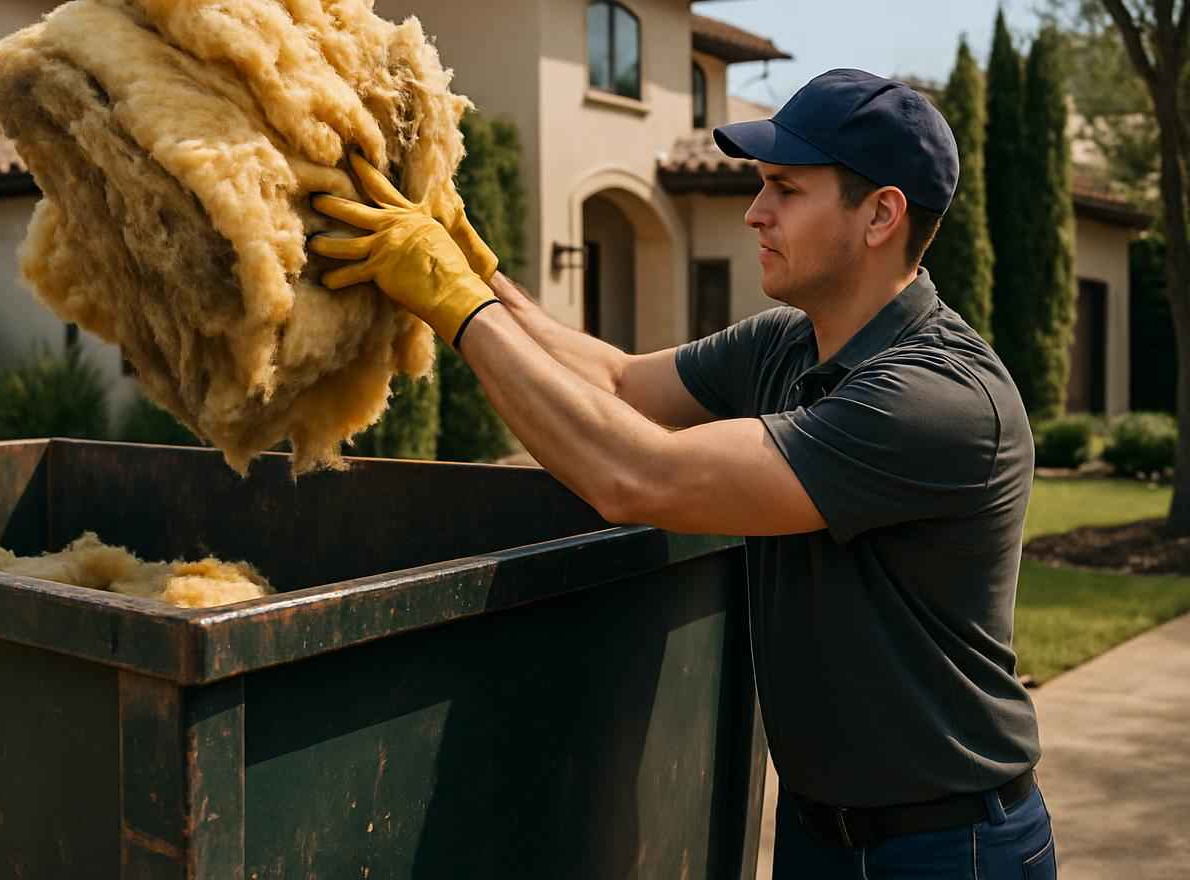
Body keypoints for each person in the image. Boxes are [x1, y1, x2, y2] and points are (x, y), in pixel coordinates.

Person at [308, 68, 1056, 879]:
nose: (754, 212)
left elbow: (639, 476)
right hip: (819, 836)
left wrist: (454, 307)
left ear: (881, 214)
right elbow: (622, 383)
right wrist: (476, 273)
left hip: (947, 849)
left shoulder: (937, 399)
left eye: (784, 189)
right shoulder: (787, 342)